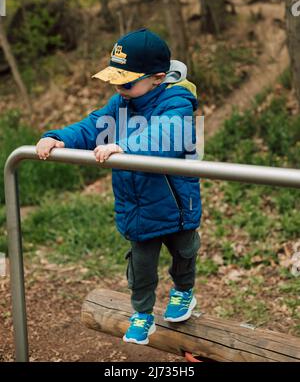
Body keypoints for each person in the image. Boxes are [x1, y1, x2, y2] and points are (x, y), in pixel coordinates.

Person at [36, 28, 202, 345]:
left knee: (183, 252)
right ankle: (142, 314)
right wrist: (58, 137)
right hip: (138, 207)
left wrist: (124, 146)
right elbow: (92, 126)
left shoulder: (177, 102)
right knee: (140, 267)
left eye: (125, 81)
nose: (118, 87)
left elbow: (167, 134)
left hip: (176, 204)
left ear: (157, 77)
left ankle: (183, 292)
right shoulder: (121, 103)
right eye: (114, 79)